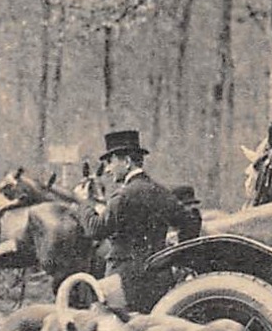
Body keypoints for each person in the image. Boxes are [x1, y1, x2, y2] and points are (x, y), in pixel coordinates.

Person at [77, 129, 202, 311]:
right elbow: (190, 222)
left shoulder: (123, 196)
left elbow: (96, 230)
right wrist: (174, 258)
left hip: (122, 281)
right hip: (160, 280)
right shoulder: (161, 191)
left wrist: (84, 203)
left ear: (127, 161)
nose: (108, 169)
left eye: (110, 162)